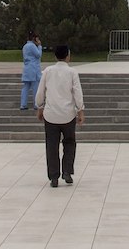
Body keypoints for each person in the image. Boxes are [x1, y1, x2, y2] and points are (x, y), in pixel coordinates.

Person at [35, 44, 84, 188]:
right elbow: (77, 92)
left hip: (50, 115)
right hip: (68, 114)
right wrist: (80, 110)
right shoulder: (72, 72)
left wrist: (40, 106)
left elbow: (40, 92)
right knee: (69, 143)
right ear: (68, 56)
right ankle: (67, 172)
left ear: (55, 56)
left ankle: (54, 177)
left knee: (51, 146)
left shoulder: (48, 71)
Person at [20, 32, 42, 110]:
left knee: (26, 87)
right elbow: (38, 55)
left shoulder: (25, 46)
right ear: (34, 38)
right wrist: (39, 46)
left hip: (27, 69)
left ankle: (23, 104)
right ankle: (36, 104)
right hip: (33, 69)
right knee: (35, 87)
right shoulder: (32, 46)